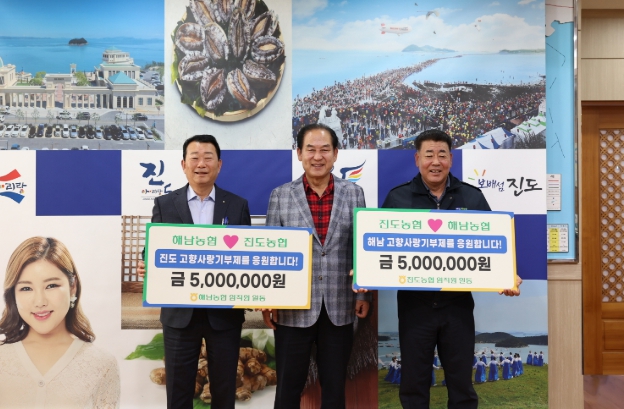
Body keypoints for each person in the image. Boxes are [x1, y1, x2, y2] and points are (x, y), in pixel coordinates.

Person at [381, 129, 522, 408]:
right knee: (413, 385)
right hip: (414, 307)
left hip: (457, 307)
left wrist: (507, 274)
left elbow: (493, 245)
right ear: (417, 159)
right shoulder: (398, 198)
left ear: (451, 159)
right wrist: (362, 272)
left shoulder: (472, 197)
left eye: (442, 155)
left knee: (461, 385)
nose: (436, 162)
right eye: (429, 155)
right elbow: (379, 246)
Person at [137, 135, 251, 409]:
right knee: (178, 391)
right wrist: (146, 262)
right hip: (180, 314)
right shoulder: (165, 204)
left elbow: (247, 254)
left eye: (208, 158)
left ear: (219, 165)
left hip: (224, 314)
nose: (201, 164)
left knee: (224, 390)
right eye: (195, 158)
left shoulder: (237, 205)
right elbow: (154, 248)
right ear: (183, 165)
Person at [262, 123, 371, 409]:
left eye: (325, 149)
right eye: (310, 149)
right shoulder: (280, 195)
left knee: (334, 388)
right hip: (292, 308)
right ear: (299, 153)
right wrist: (268, 300)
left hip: (339, 306)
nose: (318, 156)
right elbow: (271, 252)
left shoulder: (354, 193)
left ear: (336, 154)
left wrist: (363, 295)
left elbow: (360, 248)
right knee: (288, 388)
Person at [0, 236, 120, 408]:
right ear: (13, 294)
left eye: (51, 286)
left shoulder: (102, 365)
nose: (40, 302)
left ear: (73, 287)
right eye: (26, 288)